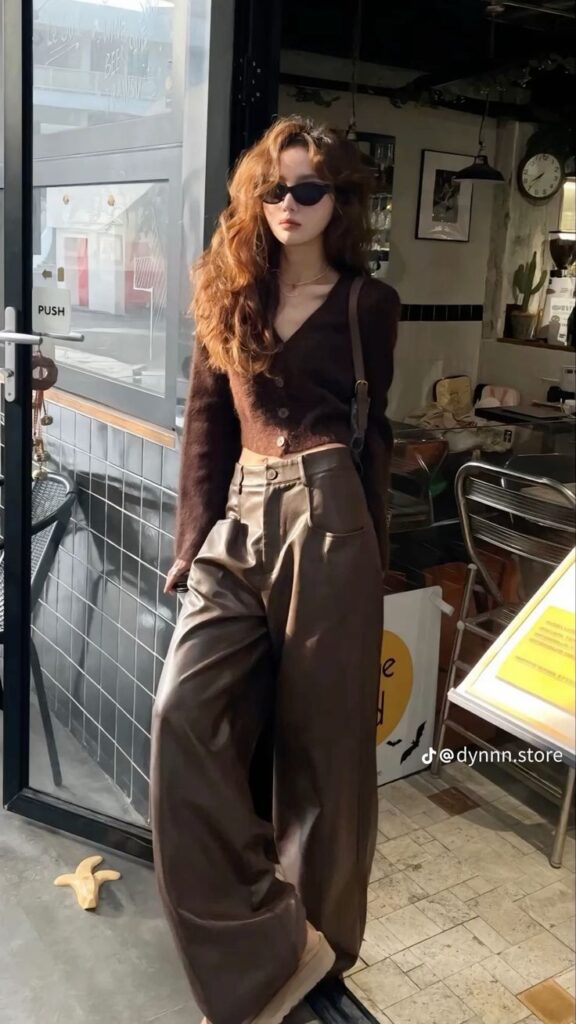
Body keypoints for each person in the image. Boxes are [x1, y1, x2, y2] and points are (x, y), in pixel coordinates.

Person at [150, 115, 400, 1024]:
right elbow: (205, 424)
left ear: (340, 202)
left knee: (326, 759)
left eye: (309, 189)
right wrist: (191, 543)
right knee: (184, 713)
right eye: (275, 187)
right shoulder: (231, 293)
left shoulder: (369, 304)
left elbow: (374, 433)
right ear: (254, 197)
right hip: (241, 521)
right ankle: (256, 932)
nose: (289, 204)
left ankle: (323, 951)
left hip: (331, 518)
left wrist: (374, 552)